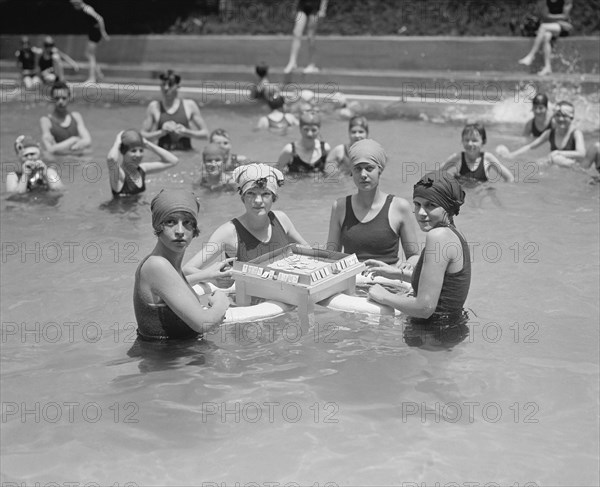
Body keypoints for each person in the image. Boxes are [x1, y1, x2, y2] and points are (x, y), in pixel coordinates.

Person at [367, 171, 470, 321]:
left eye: (431, 205)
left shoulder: (438, 237)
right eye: (417, 204)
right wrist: (396, 273)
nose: (421, 213)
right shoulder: (454, 234)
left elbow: (424, 308)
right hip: (449, 332)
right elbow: (445, 285)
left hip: (432, 338)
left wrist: (384, 296)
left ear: (447, 207)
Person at [183, 163, 308, 286]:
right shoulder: (228, 232)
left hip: (284, 297)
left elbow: (308, 253)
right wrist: (212, 277)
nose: (258, 201)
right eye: (251, 193)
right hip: (247, 303)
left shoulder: (281, 220)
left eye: (265, 194)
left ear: (273, 198)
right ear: (242, 197)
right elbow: (187, 269)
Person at [134, 189, 231, 340]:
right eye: (170, 222)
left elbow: (171, 288)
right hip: (169, 362)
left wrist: (206, 275)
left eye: (187, 223)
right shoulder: (157, 265)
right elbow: (204, 324)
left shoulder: (167, 264)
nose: (180, 231)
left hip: (173, 357)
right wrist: (221, 301)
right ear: (158, 226)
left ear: (194, 229)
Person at [327, 139, 420, 267]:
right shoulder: (340, 207)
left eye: (369, 168)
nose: (363, 174)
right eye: (357, 169)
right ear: (351, 172)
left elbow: (414, 256)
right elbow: (331, 256)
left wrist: (407, 265)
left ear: (380, 170)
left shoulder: (400, 207)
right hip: (353, 282)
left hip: (389, 283)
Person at [499, 101, 585, 167]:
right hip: (557, 166)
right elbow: (530, 146)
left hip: (574, 166)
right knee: (538, 162)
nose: (561, 119)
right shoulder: (550, 133)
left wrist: (558, 152)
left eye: (564, 116)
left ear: (571, 117)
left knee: (556, 159)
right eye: (558, 115)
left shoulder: (576, 133)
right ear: (554, 116)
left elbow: (581, 154)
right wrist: (511, 155)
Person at [141, 70, 209, 151]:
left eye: (170, 84)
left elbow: (205, 134)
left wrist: (186, 132)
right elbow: (142, 136)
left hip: (186, 155)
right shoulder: (154, 106)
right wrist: (161, 133)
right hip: (164, 158)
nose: (166, 88)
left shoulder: (189, 105)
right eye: (163, 84)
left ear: (178, 86)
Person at [106, 129, 179, 198]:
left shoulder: (142, 168)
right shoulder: (119, 174)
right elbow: (111, 158)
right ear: (123, 152)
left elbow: (173, 161)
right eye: (133, 151)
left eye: (141, 150)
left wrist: (147, 144)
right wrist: (117, 142)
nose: (138, 155)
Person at [441, 123, 514, 183]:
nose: (470, 143)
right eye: (466, 140)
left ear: (483, 142)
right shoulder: (458, 157)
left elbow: (509, 178)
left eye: (474, 140)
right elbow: (437, 174)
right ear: (462, 141)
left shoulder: (488, 158)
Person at [518, 0, 573, 76]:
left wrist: (554, 19)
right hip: (552, 26)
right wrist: (559, 20)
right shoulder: (544, 1)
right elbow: (545, 16)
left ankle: (531, 55)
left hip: (563, 27)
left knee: (543, 27)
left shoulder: (566, 1)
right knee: (546, 36)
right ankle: (547, 67)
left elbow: (565, 16)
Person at [40, 81, 92, 157]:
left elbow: (88, 140)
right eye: (57, 98)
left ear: (69, 98)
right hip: (59, 162)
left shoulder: (76, 116)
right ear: (52, 99)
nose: (60, 101)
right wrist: (73, 140)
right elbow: (49, 149)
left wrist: (61, 148)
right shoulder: (46, 121)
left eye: (64, 98)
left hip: (75, 159)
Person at [70, 0, 110, 83]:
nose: (74, 7)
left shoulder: (87, 9)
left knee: (90, 55)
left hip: (95, 33)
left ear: (78, 4)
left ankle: (92, 78)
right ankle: (98, 74)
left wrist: (103, 32)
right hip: (93, 33)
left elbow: (100, 19)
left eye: (74, 5)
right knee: (89, 54)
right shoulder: (86, 8)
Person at [284, 0, 328, 74]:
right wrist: (294, 7)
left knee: (310, 36)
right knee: (296, 32)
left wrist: (323, 9)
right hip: (302, 6)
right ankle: (292, 62)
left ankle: (312, 64)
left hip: (315, 8)